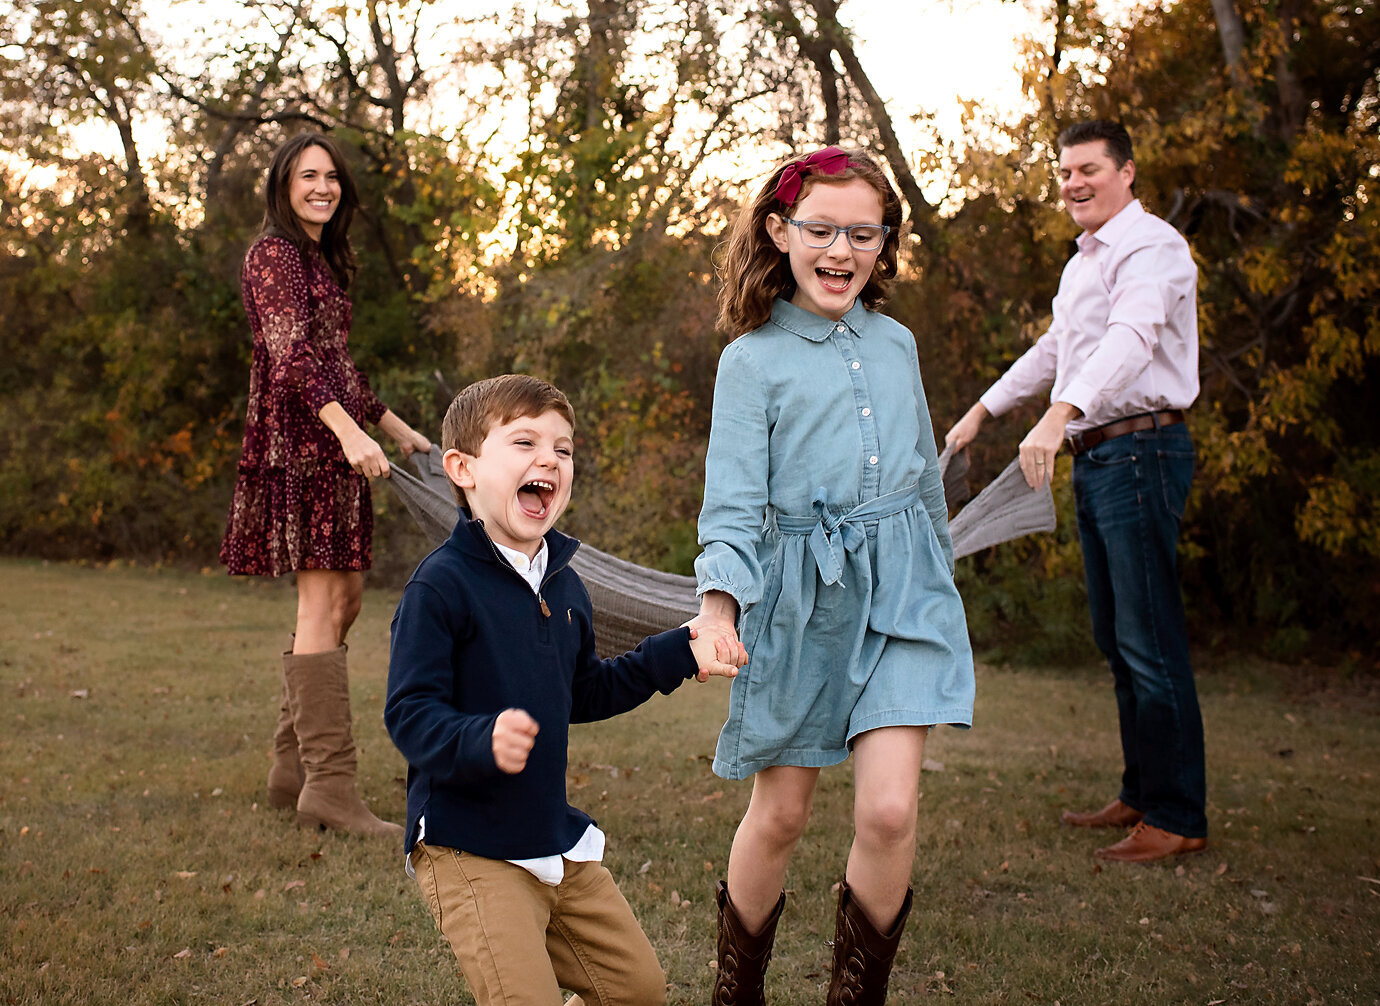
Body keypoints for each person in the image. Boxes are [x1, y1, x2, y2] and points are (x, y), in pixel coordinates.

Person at [691, 146, 975, 1006]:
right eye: (821, 230)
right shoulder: (750, 361)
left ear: (885, 244)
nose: (841, 251)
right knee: (780, 815)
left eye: (863, 233)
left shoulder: (897, 345)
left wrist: (940, 577)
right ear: (780, 232)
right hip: (799, 605)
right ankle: (736, 990)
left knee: (889, 811)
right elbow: (734, 508)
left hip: (905, 593)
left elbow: (924, 474)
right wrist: (717, 607)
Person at [384, 374, 744, 1006]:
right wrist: (480, 736)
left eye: (564, 448)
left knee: (639, 993)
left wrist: (680, 649)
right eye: (524, 442)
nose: (549, 458)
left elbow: (586, 692)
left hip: (553, 841)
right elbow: (409, 714)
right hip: (468, 846)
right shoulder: (439, 588)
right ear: (462, 468)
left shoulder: (566, 584)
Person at [944, 120, 1208, 864]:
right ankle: (1142, 791)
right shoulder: (1083, 263)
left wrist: (1062, 413)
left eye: (1089, 169)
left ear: (1127, 172)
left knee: (1149, 639)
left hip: (1141, 449)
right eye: (1064, 173)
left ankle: (1179, 813)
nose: (1074, 184)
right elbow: (1056, 349)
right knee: (1118, 639)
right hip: (1099, 457)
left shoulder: (1151, 247)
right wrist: (983, 411)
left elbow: (1130, 338)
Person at [220, 132, 432, 839]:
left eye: (332, 176)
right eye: (308, 175)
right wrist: (346, 432)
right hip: (301, 445)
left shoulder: (322, 261)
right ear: (282, 185)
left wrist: (396, 428)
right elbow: (289, 361)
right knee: (320, 601)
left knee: (341, 604)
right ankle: (332, 788)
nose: (323, 186)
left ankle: (292, 770)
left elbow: (338, 365)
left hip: (339, 442)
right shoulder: (272, 256)